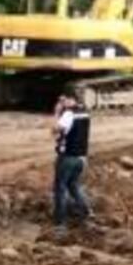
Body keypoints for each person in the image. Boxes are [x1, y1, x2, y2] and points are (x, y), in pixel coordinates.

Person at [52, 94, 93, 236]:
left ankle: (60, 224)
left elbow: (55, 130)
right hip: (81, 158)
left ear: (70, 99)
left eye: (64, 100)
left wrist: (57, 113)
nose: (62, 103)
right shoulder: (85, 113)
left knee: (60, 189)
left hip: (67, 157)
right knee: (73, 185)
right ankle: (86, 212)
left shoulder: (68, 115)